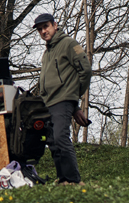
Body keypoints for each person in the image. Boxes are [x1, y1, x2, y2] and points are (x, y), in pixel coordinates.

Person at [33, 12, 92, 185]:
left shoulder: (69, 43)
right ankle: (63, 179)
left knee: (60, 137)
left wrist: (74, 97)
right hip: (48, 102)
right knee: (52, 141)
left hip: (62, 100)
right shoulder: (47, 52)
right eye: (40, 29)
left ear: (55, 25)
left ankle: (74, 179)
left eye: (46, 27)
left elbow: (86, 70)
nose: (43, 31)